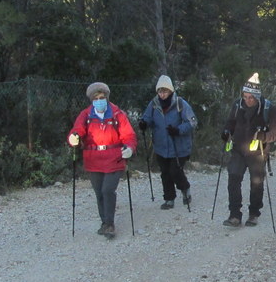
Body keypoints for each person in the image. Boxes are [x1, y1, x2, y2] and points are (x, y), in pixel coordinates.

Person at [67, 82, 137, 239]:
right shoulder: (86, 115)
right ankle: (105, 222)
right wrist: (74, 137)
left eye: (102, 97)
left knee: (107, 190)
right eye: (96, 98)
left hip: (114, 159)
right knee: (99, 192)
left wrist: (129, 148)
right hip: (93, 160)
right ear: (92, 100)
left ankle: (110, 224)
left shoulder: (117, 114)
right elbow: (77, 130)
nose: (99, 100)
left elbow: (129, 135)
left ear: (107, 97)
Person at [220, 72, 276, 227]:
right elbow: (231, 122)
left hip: (258, 151)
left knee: (256, 182)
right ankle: (234, 215)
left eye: (251, 97)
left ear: (257, 97)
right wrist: (226, 132)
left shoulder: (268, 108)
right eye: (245, 96)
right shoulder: (237, 105)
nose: (247, 100)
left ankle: (254, 213)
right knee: (233, 179)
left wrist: (264, 136)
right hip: (237, 149)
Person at [139, 75, 197, 210]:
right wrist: (144, 123)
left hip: (179, 146)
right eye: (160, 91)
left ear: (171, 91)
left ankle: (185, 187)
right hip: (161, 146)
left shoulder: (180, 103)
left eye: (165, 91)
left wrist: (178, 130)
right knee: (165, 172)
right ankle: (169, 199)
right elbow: (147, 118)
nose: (162, 94)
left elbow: (192, 122)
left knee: (175, 171)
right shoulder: (154, 104)